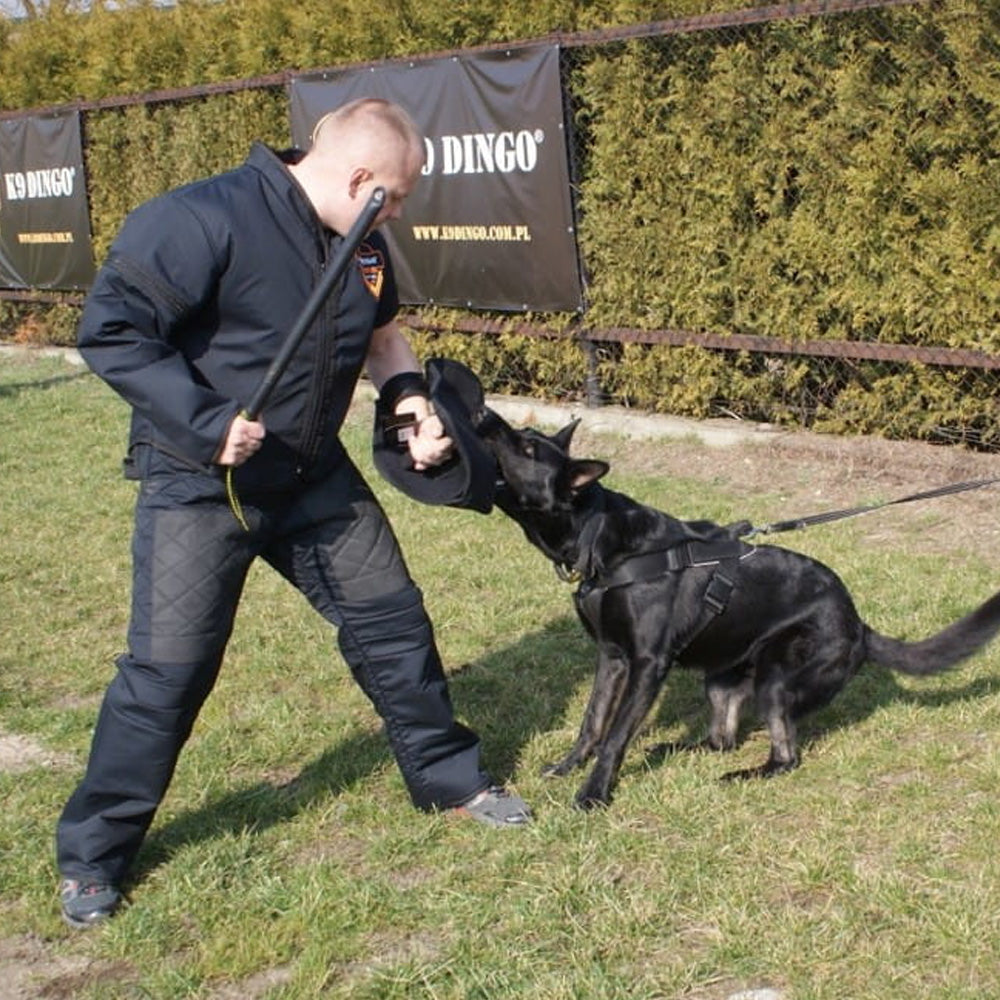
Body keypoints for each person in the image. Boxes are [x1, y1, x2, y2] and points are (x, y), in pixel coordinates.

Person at [56, 98, 531, 930]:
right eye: (398, 193)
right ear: (358, 179)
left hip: (313, 478)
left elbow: (386, 340)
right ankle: (93, 856)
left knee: (393, 622)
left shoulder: (364, 243)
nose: (403, 211)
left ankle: (451, 780)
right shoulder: (198, 219)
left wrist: (411, 403)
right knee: (166, 676)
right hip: (200, 485)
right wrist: (206, 424)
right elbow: (113, 332)